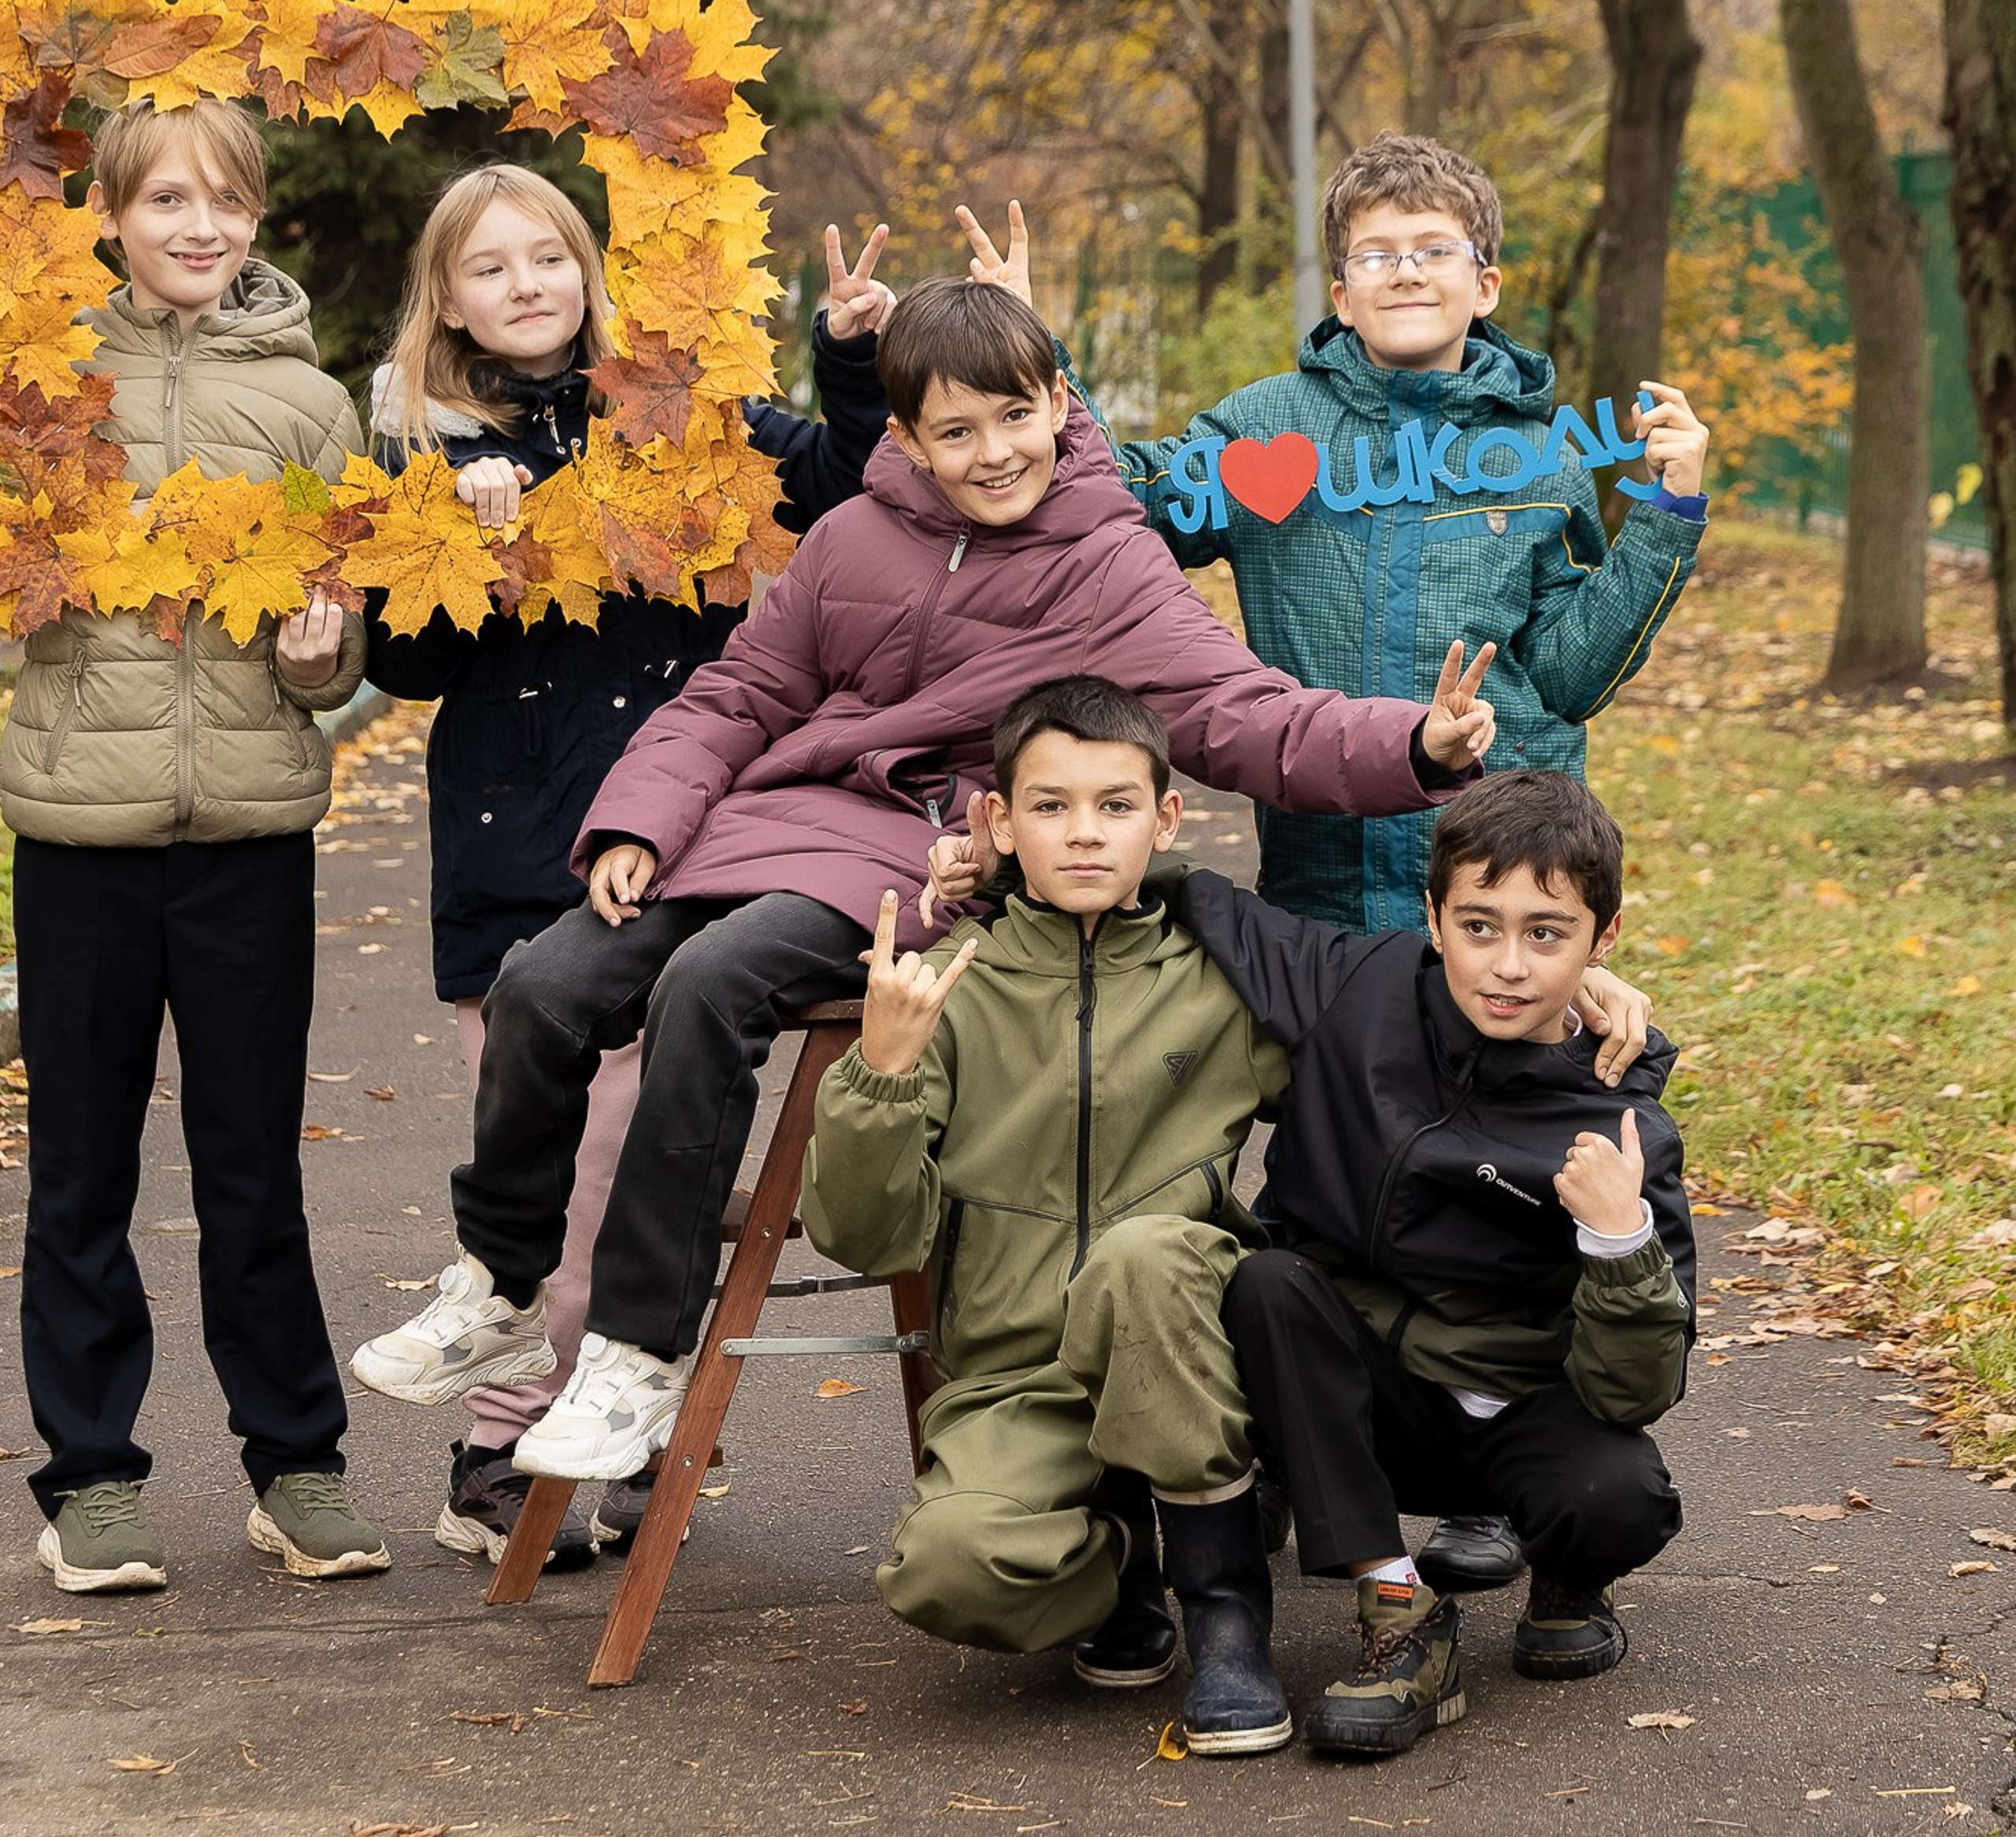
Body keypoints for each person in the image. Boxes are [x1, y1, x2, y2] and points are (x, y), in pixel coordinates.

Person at [350, 275, 1495, 1503]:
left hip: (917, 852)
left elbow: (1242, 713)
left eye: (1014, 418)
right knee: (544, 979)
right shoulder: (851, 538)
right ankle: (502, 1284)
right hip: (758, 826)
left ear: (1060, 403)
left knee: (711, 983)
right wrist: (639, 820)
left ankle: (637, 1349)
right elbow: (740, 695)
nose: (994, 452)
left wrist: (1412, 747)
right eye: (956, 430)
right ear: (906, 437)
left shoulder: (1109, 566)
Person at [957, 134, 1710, 1591]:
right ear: (1340, 285)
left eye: (1436, 250)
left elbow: (1572, 664)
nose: (1408, 271)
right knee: (1322, 1189)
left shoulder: (1546, 455)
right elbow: (1129, 507)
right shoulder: (1267, 429)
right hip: (1322, 888)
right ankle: (1303, 1451)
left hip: (1490, 887)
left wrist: (1662, 521)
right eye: (1378, 251)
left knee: (1508, 1184)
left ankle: (1502, 1468)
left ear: (1484, 281)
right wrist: (1034, 357)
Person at [362, 165, 896, 1568]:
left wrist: (848, 362)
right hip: (512, 853)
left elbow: (843, 493)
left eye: (548, 256)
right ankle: (501, 1444)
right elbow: (403, 658)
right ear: (447, 299)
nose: (526, 284)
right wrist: (461, 538)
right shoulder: (431, 445)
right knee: (548, 1168)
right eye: (490, 268)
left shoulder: (684, 419)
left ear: (590, 271)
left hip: (678, 839)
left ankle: (601, 1433)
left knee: (636, 1158)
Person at [1, 98, 387, 1592]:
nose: (198, 226)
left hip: (248, 830)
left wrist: (316, 644)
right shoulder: (44, 388)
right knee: (81, 1168)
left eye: (225, 200)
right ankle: (90, 1477)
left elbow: (330, 665)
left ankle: (295, 1466)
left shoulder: (312, 406)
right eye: (167, 200)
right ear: (110, 216)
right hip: (78, 828)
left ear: (258, 219)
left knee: (247, 1162)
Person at [801, 677, 1296, 1754]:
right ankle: (1127, 1555)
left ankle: (1226, 1611)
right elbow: (861, 1237)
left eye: (1116, 806)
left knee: (1145, 1253)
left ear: (1165, 821)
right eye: (1051, 806)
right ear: (998, 823)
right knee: (943, 1569)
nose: (1083, 833)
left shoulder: (1227, 980)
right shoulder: (946, 993)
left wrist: (1575, 992)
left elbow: (1401, 1039)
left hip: (1195, 1359)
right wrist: (880, 1073)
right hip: (1021, 1375)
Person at [1172, 769, 1694, 1758]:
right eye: (1478, 925)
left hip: (1522, 1413)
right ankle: (1401, 1610)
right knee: (1266, 1281)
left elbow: (1640, 1389)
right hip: (1365, 1399)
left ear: (1603, 941)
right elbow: (1205, 903)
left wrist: (1619, 1241)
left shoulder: (1623, 1130)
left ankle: (1569, 1574)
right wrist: (999, 864)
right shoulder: (1361, 985)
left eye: (1547, 934)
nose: (1506, 964)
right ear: (1433, 916)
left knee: (1618, 1496)